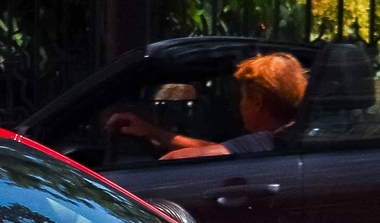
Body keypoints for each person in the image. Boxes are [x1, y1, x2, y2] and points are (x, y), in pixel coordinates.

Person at [107, 51, 308, 161]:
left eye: (243, 97)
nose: (240, 104)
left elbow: (178, 159)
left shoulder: (267, 142)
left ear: (257, 102)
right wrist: (153, 132)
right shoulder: (294, 137)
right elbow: (220, 150)